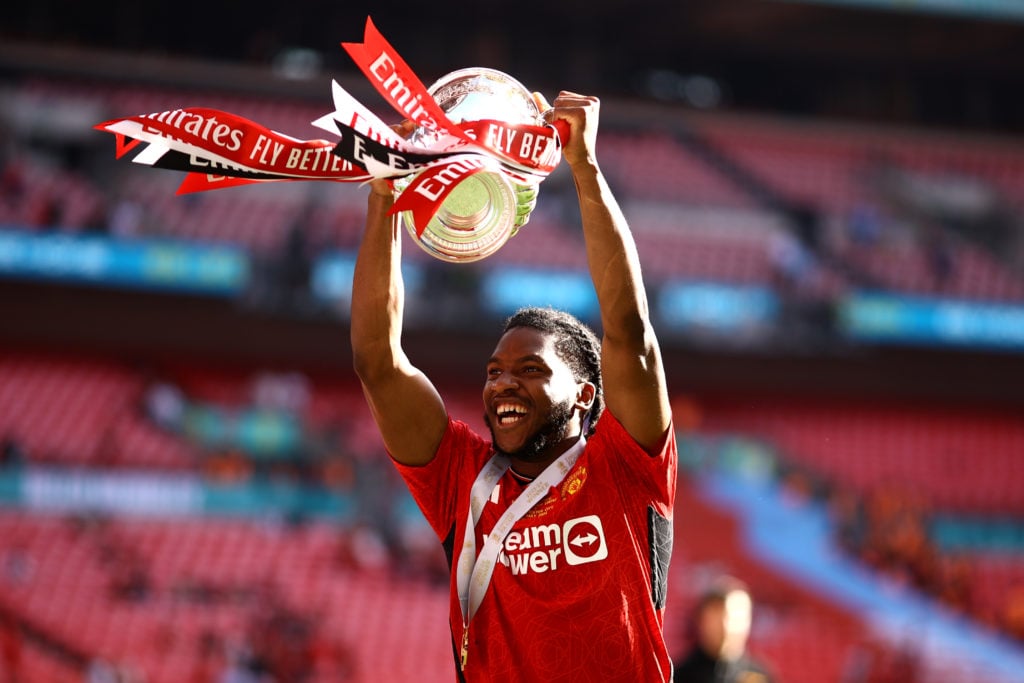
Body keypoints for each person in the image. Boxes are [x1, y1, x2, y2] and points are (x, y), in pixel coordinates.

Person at [351, 91, 676, 682]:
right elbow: (379, 362)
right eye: (495, 371)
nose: (503, 384)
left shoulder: (628, 465)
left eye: (530, 371)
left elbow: (629, 333)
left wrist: (585, 167)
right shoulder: (461, 480)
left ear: (583, 393)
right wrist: (384, 195)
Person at [674, 577, 774, 683]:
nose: (726, 626)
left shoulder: (761, 677)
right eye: (716, 617)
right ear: (701, 620)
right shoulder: (679, 676)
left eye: (736, 616)